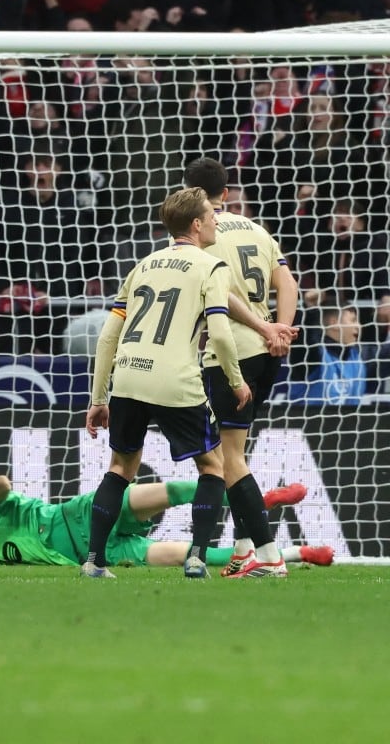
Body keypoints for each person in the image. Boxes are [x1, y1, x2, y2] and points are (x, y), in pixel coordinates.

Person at [83, 187, 250, 579]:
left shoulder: (143, 265)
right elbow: (222, 336)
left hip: (128, 376)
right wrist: (237, 381)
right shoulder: (210, 266)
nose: (215, 220)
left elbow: (108, 337)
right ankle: (196, 557)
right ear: (196, 224)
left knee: (121, 467)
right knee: (212, 467)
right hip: (175, 380)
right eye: (210, 214)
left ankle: (93, 561)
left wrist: (98, 397)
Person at [185, 157, 301, 578]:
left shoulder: (200, 235)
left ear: (190, 194)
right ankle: (241, 548)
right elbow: (286, 282)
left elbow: (221, 294)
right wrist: (281, 330)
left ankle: (269, 559)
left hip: (230, 350)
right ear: (226, 193)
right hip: (268, 353)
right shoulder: (256, 229)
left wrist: (263, 327)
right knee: (238, 453)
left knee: (228, 457)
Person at [0, 476, 334, 569]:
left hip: (88, 513)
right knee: (186, 556)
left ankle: (250, 495)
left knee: (172, 492)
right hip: (97, 553)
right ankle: (297, 553)